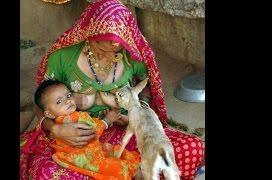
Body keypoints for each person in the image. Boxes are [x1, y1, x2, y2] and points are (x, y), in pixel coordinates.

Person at [20, 0, 205, 179]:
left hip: (124, 133)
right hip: (76, 138)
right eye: (101, 48)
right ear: (89, 34)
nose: (109, 56)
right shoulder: (62, 57)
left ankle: (128, 172)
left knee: (192, 147)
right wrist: (55, 130)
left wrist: (139, 109)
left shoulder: (131, 54)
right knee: (45, 174)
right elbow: (42, 101)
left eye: (115, 51)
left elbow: (148, 83)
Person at [32, 79, 140, 179]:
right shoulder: (75, 117)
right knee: (115, 166)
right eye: (59, 102)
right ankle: (136, 172)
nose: (67, 101)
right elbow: (92, 131)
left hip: (70, 155)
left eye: (68, 96)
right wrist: (107, 120)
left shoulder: (60, 120)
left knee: (114, 152)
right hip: (86, 157)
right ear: (49, 114)